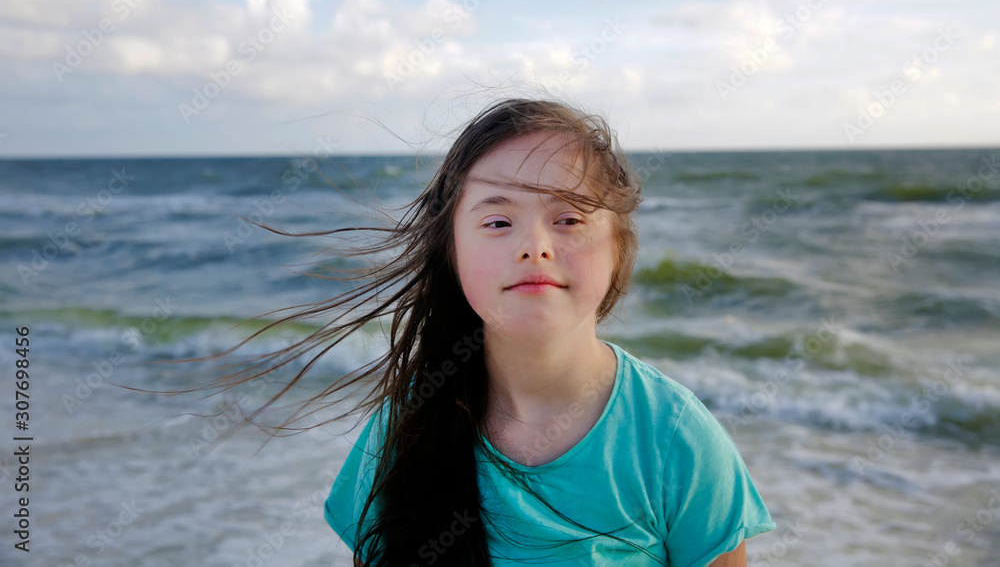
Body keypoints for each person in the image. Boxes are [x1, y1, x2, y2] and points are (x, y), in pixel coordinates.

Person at [168, 97, 775, 566]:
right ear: (453, 250)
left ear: (618, 246)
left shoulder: (673, 439)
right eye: (498, 220)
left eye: (567, 218)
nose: (534, 247)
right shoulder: (407, 426)